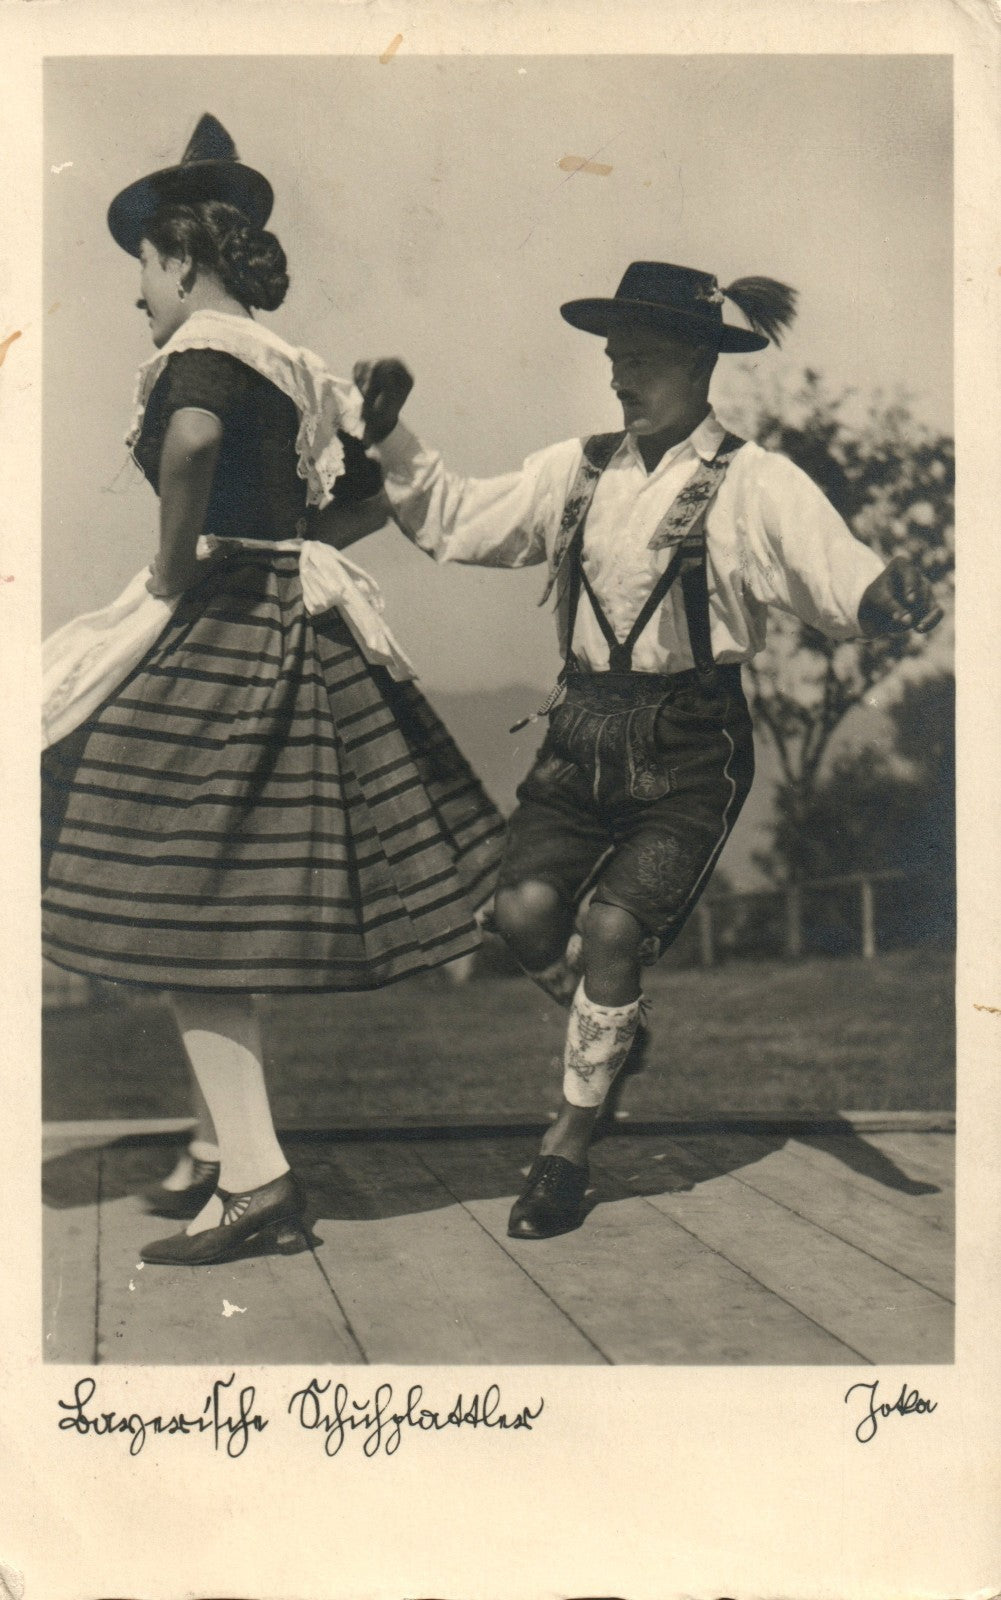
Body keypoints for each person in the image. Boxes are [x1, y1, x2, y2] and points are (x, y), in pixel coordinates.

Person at [351, 259, 943, 1240]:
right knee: (523, 916)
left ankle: (566, 1147)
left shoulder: (754, 484)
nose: (621, 376)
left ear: (700, 363)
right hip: (578, 732)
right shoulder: (574, 470)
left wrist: (884, 595)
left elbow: (831, 570)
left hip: (688, 745)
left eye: (643, 359)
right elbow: (458, 519)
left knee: (616, 931)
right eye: (614, 357)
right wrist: (390, 434)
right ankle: (612, 1030)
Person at [41, 115, 506, 1264]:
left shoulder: (199, 347)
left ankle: (255, 1180)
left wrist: (168, 564)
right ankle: (220, 1149)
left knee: (173, 893)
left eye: (141, 271)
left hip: (225, 633)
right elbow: (353, 509)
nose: (137, 297)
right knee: (210, 909)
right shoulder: (302, 371)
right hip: (291, 625)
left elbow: (191, 441)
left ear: (180, 259)